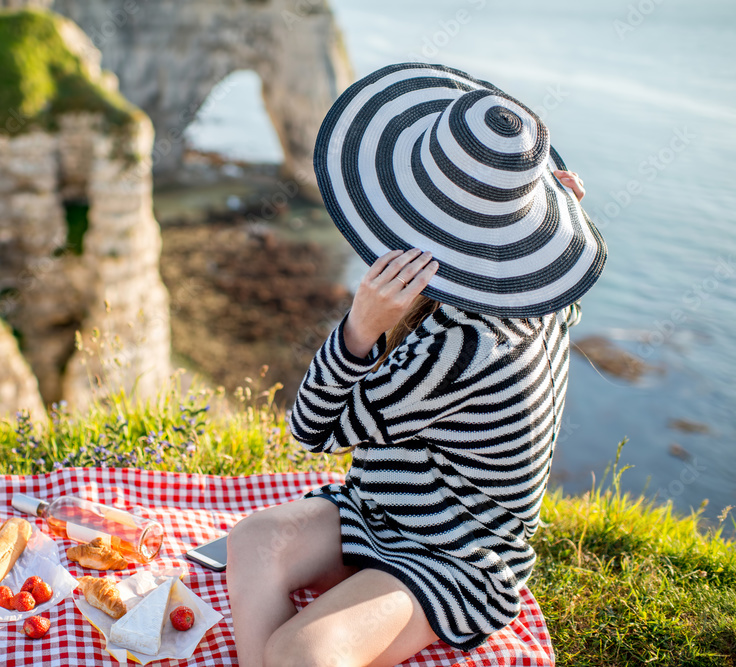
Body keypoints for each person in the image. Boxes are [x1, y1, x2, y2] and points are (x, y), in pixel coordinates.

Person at [226, 63, 606, 667]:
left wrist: (360, 328)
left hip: (453, 562)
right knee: (254, 540)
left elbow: (313, 428)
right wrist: (555, 216)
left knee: (301, 652)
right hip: (378, 512)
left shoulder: (464, 346)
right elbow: (568, 288)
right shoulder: (540, 297)